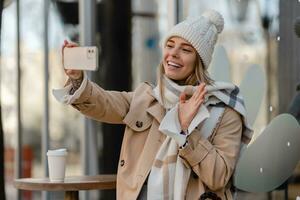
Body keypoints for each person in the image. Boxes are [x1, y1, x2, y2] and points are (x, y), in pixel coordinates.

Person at [53, 9, 252, 200]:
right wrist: (78, 79)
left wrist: (185, 131)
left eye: (185, 50)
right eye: (170, 45)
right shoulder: (147, 98)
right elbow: (102, 103)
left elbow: (218, 177)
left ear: (199, 61)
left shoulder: (225, 112)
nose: (173, 54)